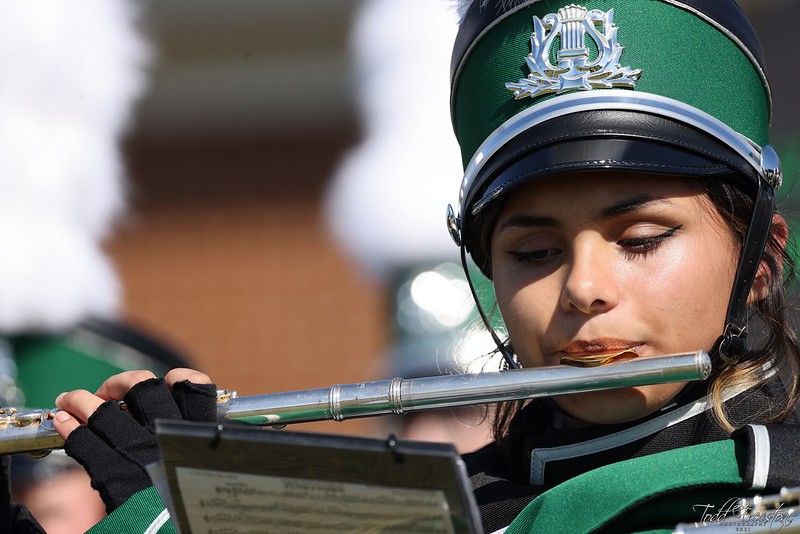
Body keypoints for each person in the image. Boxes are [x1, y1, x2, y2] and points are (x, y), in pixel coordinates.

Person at [4, 0, 800, 532]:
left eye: (641, 239)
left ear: (760, 260)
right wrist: (214, 487)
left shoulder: (773, 489)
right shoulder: (445, 505)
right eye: (534, 252)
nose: (584, 288)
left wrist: (179, 516)